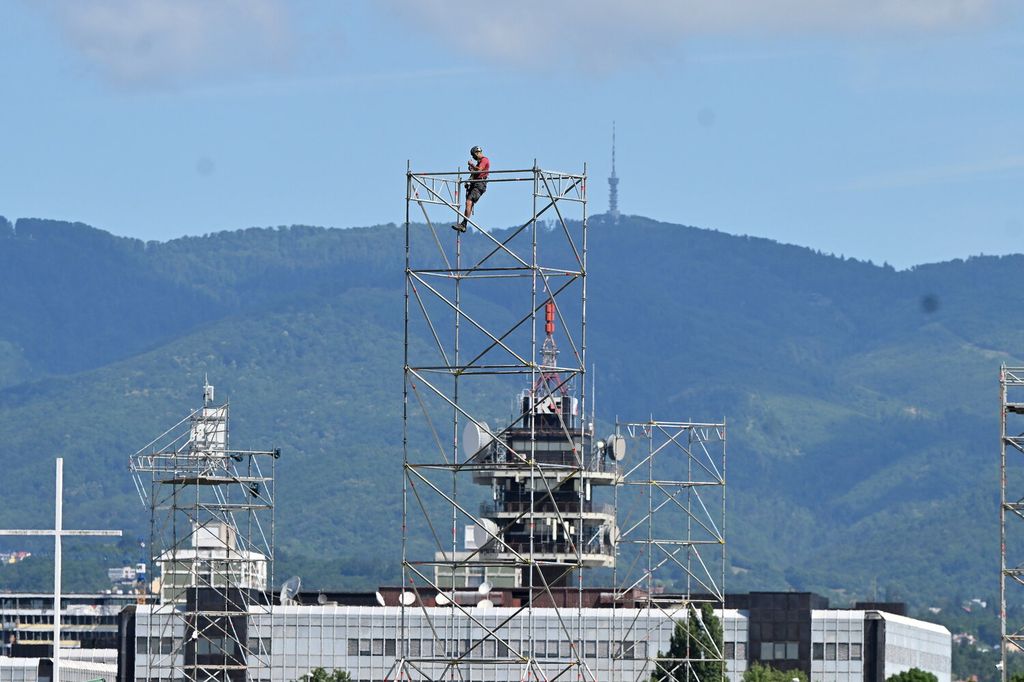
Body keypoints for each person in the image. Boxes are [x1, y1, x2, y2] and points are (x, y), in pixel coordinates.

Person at [453, 145, 490, 232]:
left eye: (474, 156)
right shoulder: (479, 162)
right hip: (475, 183)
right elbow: (475, 173)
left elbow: (479, 170)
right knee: (468, 203)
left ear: (477, 153)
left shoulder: (484, 160)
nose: (474, 158)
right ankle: (463, 224)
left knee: (469, 202)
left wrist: (472, 164)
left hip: (480, 184)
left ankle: (464, 224)